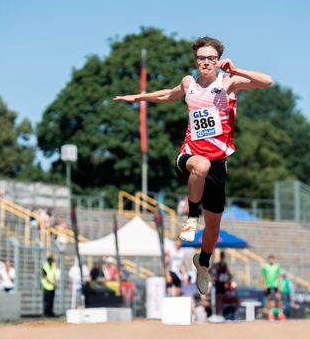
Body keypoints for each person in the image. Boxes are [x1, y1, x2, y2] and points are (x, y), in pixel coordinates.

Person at [113, 37, 272, 295]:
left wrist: (237, 70)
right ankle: (191, 217)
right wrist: (137, 97)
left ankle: (203, 262)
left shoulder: (229, 83)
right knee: (201, 164)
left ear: (218, 60)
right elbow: (167, 95)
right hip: (189, 157)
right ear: (195, 61)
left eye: (210, 58)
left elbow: (267, 82)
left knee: (214, 229)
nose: (205, 62)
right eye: (201, 58)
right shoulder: (189, 83)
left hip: (219, 162)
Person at [261, 254, 286, 321]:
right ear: (268, 259)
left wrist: (280, 285)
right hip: (268, 285)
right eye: (270, 259)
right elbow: (263, 276)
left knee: (278, 298)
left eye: (272, 259)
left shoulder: (277, 266)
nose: (271, 260)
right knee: (269, 299)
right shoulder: (265, 267)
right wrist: (263, 285)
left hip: (276, 285)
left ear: (274, 260)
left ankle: (280, 313)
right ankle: (270, 314)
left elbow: (279, 276)